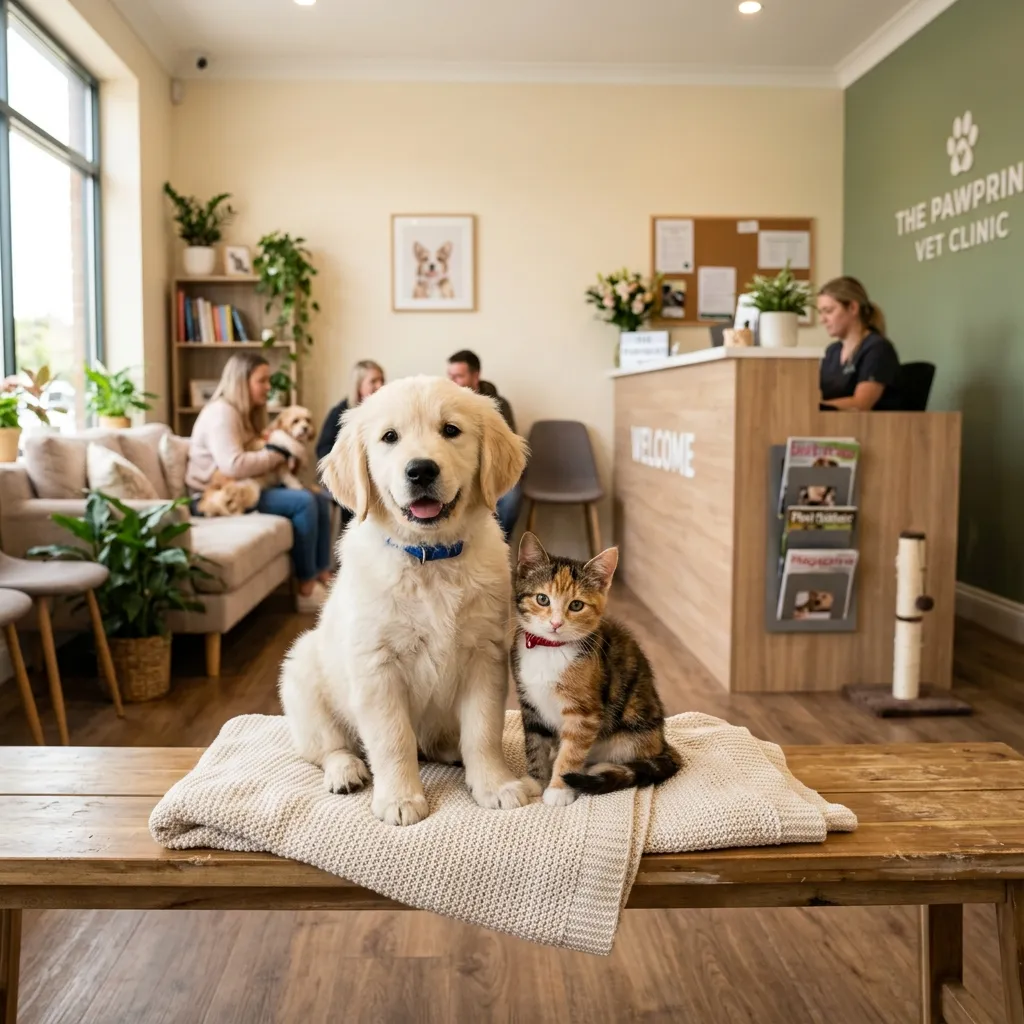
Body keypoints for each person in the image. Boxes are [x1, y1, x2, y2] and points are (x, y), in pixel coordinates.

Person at [185, 352, 334, 612]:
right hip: (217, 496)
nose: (268, 387)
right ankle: (306, 586)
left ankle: (323, 574)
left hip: (247, 485)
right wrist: (278, 455)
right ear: (241, 381)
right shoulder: (222, 413)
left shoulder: (244, 414)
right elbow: (232, 465)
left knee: (320, 499)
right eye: (262, 380)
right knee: (304, 503)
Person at [446, 349, 521, 539]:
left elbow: (506, 448)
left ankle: (498, 541)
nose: (453, 381)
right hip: (456, 469)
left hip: (490, 468)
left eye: (459, 376)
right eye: (450, 375)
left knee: (511, 498)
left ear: (475, 375)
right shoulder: (444, 405)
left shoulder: (499, 405)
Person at [315, 360, 385, 532]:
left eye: (382, 380)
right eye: (374, 381)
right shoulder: (338, 413)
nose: (381, 385)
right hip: (350, 478)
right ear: (359, 385)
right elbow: (322, 448)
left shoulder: (385, 414)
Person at [817, 277, 903, 411]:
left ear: (852, 308)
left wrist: (813, 407)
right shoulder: (832, 352)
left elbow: (861, 404)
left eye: (828, 311)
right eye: (820, 312)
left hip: (873, 428)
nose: (822, 320)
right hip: (836, 427)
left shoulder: (878, 349)